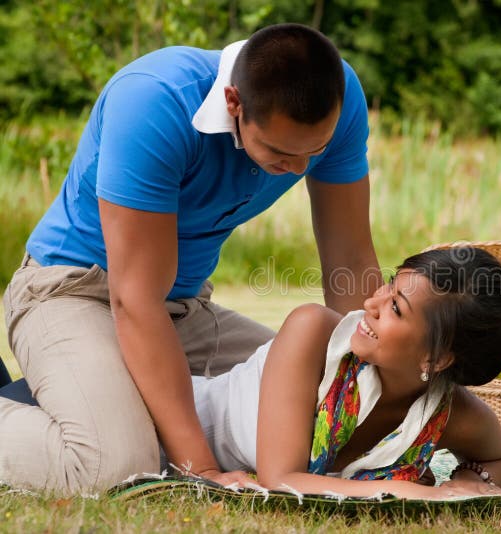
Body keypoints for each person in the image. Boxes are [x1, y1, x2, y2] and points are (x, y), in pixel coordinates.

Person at [0, 23, 381, 493]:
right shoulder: (154, 101)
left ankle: (72, 400)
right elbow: (135, 300)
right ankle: (84, 409)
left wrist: (373, 377)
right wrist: (199, 469)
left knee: (319, 406)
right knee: (115, 467)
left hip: (183, 309)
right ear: (234, 103)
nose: (300, 169)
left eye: (315, 152)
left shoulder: (340, 97)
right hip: (71, 293)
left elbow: (350, 257)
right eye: (281, 154)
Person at [188, 246, 501, 498]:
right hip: (163, 428)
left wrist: (465, 482)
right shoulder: (314, 332)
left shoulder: (447, 413)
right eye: (389, 285)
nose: (371, 302)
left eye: (395, 308)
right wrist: (415, 492)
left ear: (436, 360)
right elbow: (280, 479)